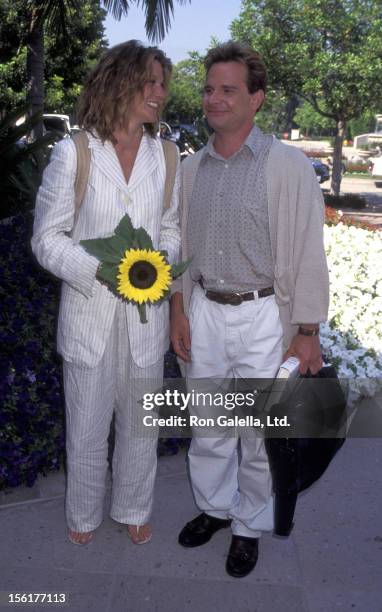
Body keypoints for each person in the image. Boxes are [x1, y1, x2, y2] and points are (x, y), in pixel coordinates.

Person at [170, 41, 329, 578]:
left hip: (266, 315)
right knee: (208, 424)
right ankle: (214, 508)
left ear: (256, 98)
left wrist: (306, 329)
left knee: (261, 434)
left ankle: (247, 525)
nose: (214, 99)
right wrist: (179, 310)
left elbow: (309, 247)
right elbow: (179, 249)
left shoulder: (288, 167)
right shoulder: (192, 170)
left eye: (228, 90)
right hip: (206, 309)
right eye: (210, 89)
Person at [32, 41, 180, 546]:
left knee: (141, 424)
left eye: (163, 83)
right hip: (88, 316)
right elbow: (46, 239)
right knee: (87, 424)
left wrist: (158, 262)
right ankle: (83, 516)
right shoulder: (73, 151)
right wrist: (97, 270)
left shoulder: (166, 155)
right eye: (150, 82)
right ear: (119, 82)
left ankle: (135, 507)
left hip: (146, 318)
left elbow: (172, 226)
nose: (160, 93)